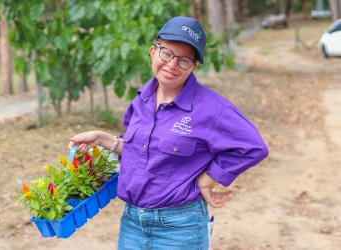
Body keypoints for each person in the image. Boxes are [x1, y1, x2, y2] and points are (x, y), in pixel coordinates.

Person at [69, 16, 269, 250]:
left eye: (184, 60)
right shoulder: (140, 101)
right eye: (167, 53)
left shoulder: (211, 109)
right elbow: (143, 151)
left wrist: (209, 178)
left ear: (194, 66)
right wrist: (104, 139)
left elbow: (254, 147)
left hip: (180, 229)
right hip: (132, 224)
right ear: (152, 52)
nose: (172, 64)